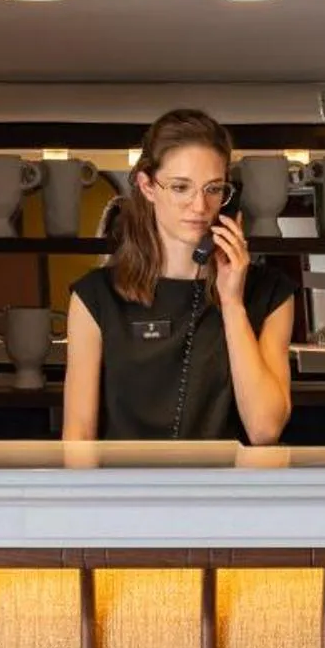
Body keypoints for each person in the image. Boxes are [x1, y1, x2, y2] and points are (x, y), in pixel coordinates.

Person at [62, 109, 297, 443]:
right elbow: (78, 437)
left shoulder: (269, 294)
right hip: (126, 492)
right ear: (147, 186)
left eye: (214, 189)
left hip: (229, 492)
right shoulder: (95, 297)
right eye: (180, 187)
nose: (199, 206)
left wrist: (232, 303)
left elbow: (264, 429)